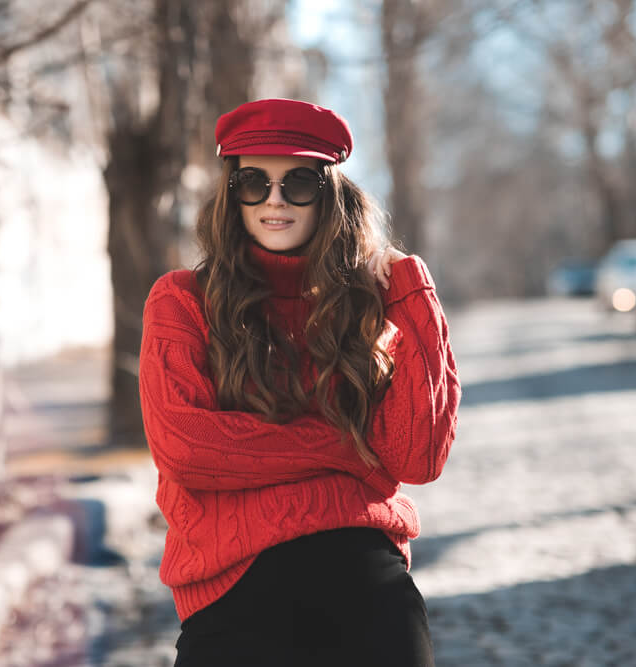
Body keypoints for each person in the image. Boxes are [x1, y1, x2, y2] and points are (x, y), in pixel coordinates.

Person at [138, 98, 460, 667]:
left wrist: (414, 289)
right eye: (254, 182)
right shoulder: (182, 300)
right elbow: (189, 448)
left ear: (330, 193)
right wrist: (347, 452)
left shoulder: (366, 305)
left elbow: (418, 457)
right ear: (231, 193)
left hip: (364, 575)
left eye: (300, 183)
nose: (275, 200)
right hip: (233, 586)